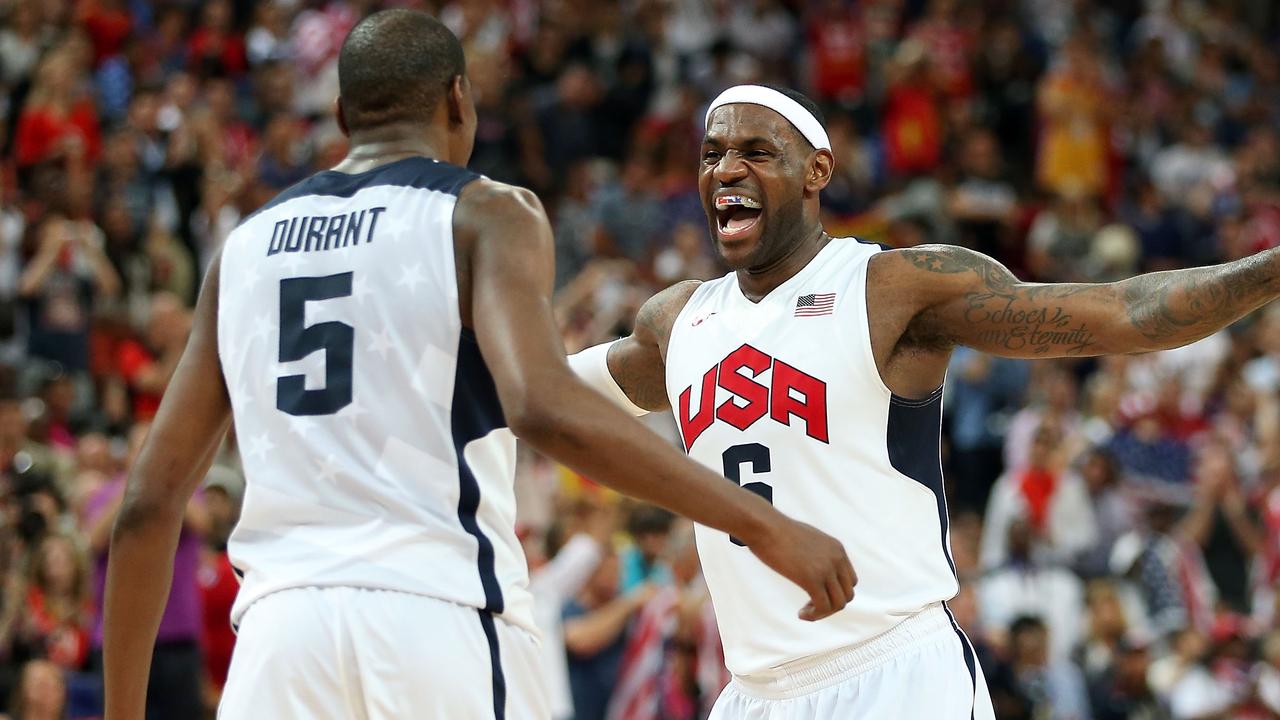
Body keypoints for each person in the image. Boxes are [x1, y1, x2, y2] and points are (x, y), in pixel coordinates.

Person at [101, 11, 854, 720]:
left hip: (278, 640)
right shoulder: (486, 211)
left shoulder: (243, 251)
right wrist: (763, 525)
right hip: (435, 616)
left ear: (341, 116)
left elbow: (145, 504)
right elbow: (540, 407)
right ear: (459, 100)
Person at [568, 82, 1280, 718]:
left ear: (817, 171)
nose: (726, 169)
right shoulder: (677, 321)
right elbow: (540, 392)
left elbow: (1123, 312)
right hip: (754, 690)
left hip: (895, 674)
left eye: (757, 151)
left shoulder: (890, 287)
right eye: (713, 152)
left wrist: (1269, 270)